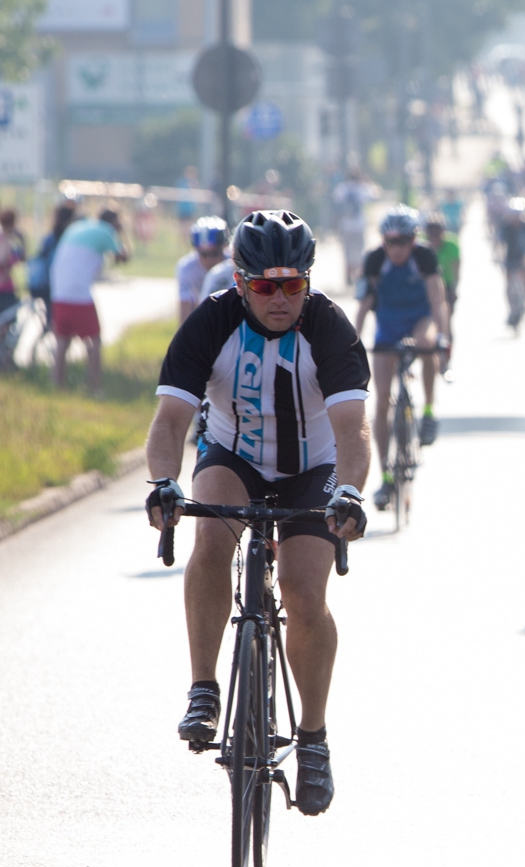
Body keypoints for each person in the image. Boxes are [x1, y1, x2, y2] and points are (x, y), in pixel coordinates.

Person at [144, 210, 370, 817]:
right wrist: (164, 482)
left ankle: (314, 740)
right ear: (240, 281)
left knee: (302, 589)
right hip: (234, 454)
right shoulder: (211, 321)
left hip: (312, 469)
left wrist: (349, 491)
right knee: (210, 541)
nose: (279, 298)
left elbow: (352, 431)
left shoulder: (328, 326)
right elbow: (169, 422)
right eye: (265, 286)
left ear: (308, 282)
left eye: (292, 284)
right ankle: (203, 687)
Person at [353, 205, 451, 510]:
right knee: (381, 401)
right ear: (383, 241)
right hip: (388, 326)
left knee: (426, 343)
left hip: (419, 318)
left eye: (403, 241)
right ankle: (386, 477)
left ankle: (429, 410)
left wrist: (444, 338)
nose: (396, 249)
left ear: (414, 240)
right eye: (390, 242)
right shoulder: (374, 260)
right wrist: (351, 344)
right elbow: (363, 305)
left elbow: (438, 299)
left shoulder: (424, 257)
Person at [50, 207, 130, 394]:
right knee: (94, 340)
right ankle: (95, 386)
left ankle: (56, 383)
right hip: (79, 294)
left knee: (62, 340)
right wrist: (122, 234)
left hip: (58, 292)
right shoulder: (106, 231)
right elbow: (123, 257)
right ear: (113, 223)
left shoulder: (79, 226)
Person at [26, 201, 77, 325]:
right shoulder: (67, 239)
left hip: (44, 283)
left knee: (52, 320)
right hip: (55, 284)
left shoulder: (50, 237)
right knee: (58, 323)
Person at [422, 215, 461, 366]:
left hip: (447, 285)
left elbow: (456, 267)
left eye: (437, 231)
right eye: (431, 231)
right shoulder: (421, 245)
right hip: (425, 286)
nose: (434, 235)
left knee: (446, 321)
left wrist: (454, 288)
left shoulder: (452, 244)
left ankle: (446, 357)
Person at [176, 216, 229, 322]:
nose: (209, 260)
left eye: (214, 253)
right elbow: (185, 311)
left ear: (224, 247)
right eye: (204, 254)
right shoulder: (186, 268)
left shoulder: (232, 265)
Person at [333, 167, 377, 284]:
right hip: (359, 224)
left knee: (347, 251)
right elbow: (375, 195)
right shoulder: (362, 188)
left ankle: (348, 275)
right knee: (359, 251)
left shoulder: (342, 188)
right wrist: (368, 181)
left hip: (345, 224)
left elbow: (336, 203)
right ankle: (358, 275)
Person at [498, 198, 525, 330]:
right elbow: (500, 243)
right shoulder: (506, 227)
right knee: (509, 285)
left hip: (523, 259)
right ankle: (512, 308)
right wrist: (499, 254)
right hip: (510, 258)